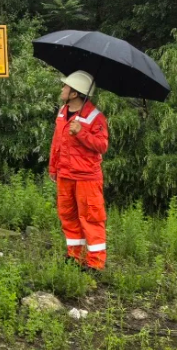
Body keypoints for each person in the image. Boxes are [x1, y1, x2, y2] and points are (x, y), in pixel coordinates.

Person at [48, 71, 109, 272]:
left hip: (86, 178)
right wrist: (53, 167)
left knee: (91, 218)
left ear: (75, 93)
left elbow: (102, 145)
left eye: (65, 87)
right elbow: (57, 142)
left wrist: (81, 133)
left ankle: (95, 263)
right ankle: (75, 257)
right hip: (65, 175)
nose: (62, 89)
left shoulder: (95, 117)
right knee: (68, 216)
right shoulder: (62, 112)